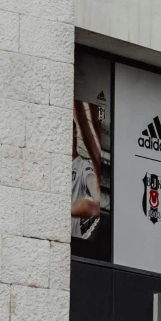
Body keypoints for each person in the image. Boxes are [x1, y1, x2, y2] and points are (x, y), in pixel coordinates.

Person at [71, 100, 103, 243]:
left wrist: (96, 196)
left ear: (74, 131)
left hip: (72, 241)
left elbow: (91, 179)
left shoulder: (82, 166)